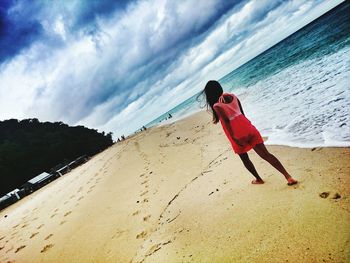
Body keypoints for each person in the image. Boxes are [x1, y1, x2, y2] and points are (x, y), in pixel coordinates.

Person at [200, 80, 297, 185]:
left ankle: (259, 179)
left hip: (236, 134)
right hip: (248, 127)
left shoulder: (216, 106)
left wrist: (234, 138)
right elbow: (242, 113)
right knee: (266, 155)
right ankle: (288, 177)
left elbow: (227, 122)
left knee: (245, 159)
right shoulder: (233, 96)